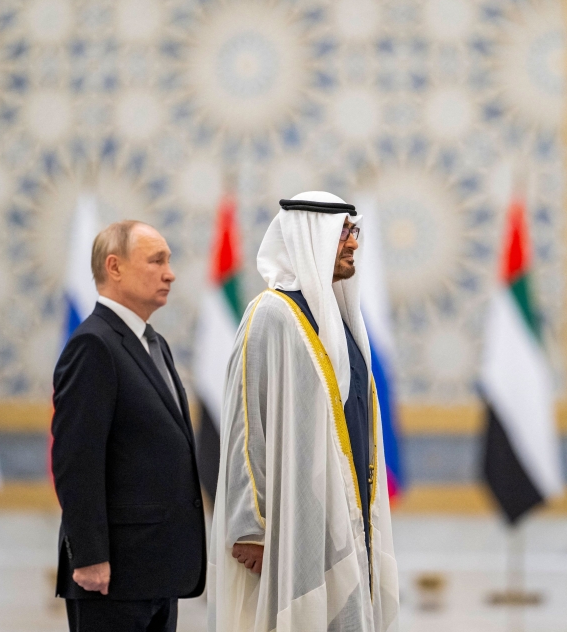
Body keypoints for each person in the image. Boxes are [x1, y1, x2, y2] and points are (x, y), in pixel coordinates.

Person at [207, 191, 399, 631]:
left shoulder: (340, 317)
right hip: (291, 523)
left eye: (354, 233)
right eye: (343, 234)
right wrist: (250, 525)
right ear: (310, 237)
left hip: (343, 513)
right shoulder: (271, 314)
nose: (353, 243)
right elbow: (244, 421)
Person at [51, 220, 206, 632]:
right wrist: (88, 555)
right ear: (114, 267)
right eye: (156, 261)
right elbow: (75, 460)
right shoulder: (94, 345)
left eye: (169, 262)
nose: (170, 273)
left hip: (157, 571)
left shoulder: (154, 343)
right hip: (112, 576)